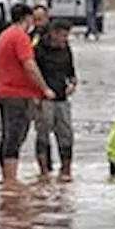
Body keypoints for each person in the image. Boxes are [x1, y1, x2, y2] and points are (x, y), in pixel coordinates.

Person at [0, 3, 57, 181]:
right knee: (15, 137)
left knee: (7, 135)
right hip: (17, 95)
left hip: (3, 93)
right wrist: (44, 88)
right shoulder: (20, 37)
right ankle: (10, 181)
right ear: (27, 18)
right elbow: (29, 65)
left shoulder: (4, 36)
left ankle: (6, 179)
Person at [34, 20, 77, 179]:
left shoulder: (66, 49)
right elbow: (31, 73)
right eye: (63, 35)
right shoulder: (39, 50)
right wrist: (36, 95)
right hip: (44, 98)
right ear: (53, 33)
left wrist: (72, 84)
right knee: (43, 133)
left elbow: (71, 73)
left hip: (62, 97)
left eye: (67, 35)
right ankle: (44, 171)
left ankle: (66, 169)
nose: (65, 39)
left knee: (66, 133)